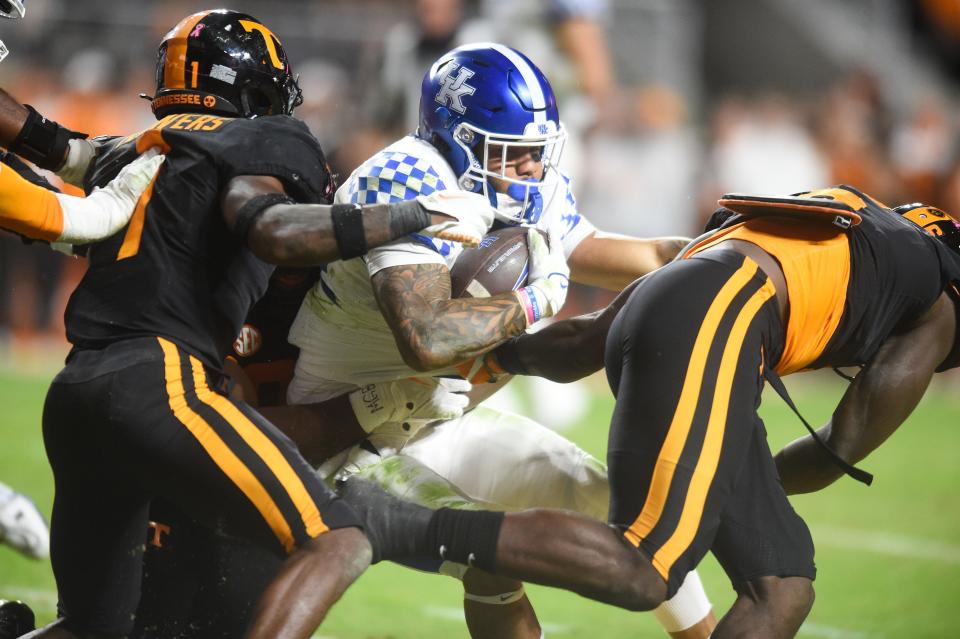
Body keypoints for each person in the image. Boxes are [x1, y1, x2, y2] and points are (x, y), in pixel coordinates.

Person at [0, 9, 494, 639]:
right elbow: (271, 228)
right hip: (160, 384)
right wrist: (411, 214)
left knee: (93, 628)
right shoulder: (265, 141)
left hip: (74, 396)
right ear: (256, 89)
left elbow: (40, 137)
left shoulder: (141, 154)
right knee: (336, 542)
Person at [340, 184, 960, 639]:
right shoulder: (937, 302)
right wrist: (716, 476)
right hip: (725, 321)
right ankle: (398, 523)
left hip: (692, 295)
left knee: (783, 586)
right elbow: (838, 448)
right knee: (646, 565)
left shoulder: (828, 226)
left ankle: (406, 521)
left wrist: (492, 360)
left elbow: (585, 341)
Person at [287, 43, 714, 639]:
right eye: (513, 155)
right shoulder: (404, 179)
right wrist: (540, 298)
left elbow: (610, 252)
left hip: (440, 416)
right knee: (489, 550)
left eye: (538, 154)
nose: (531, 170)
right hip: (350, 432)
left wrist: (707, 258)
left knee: (613, 504)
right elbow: (428, 336)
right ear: (457, 140)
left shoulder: (521, 177)